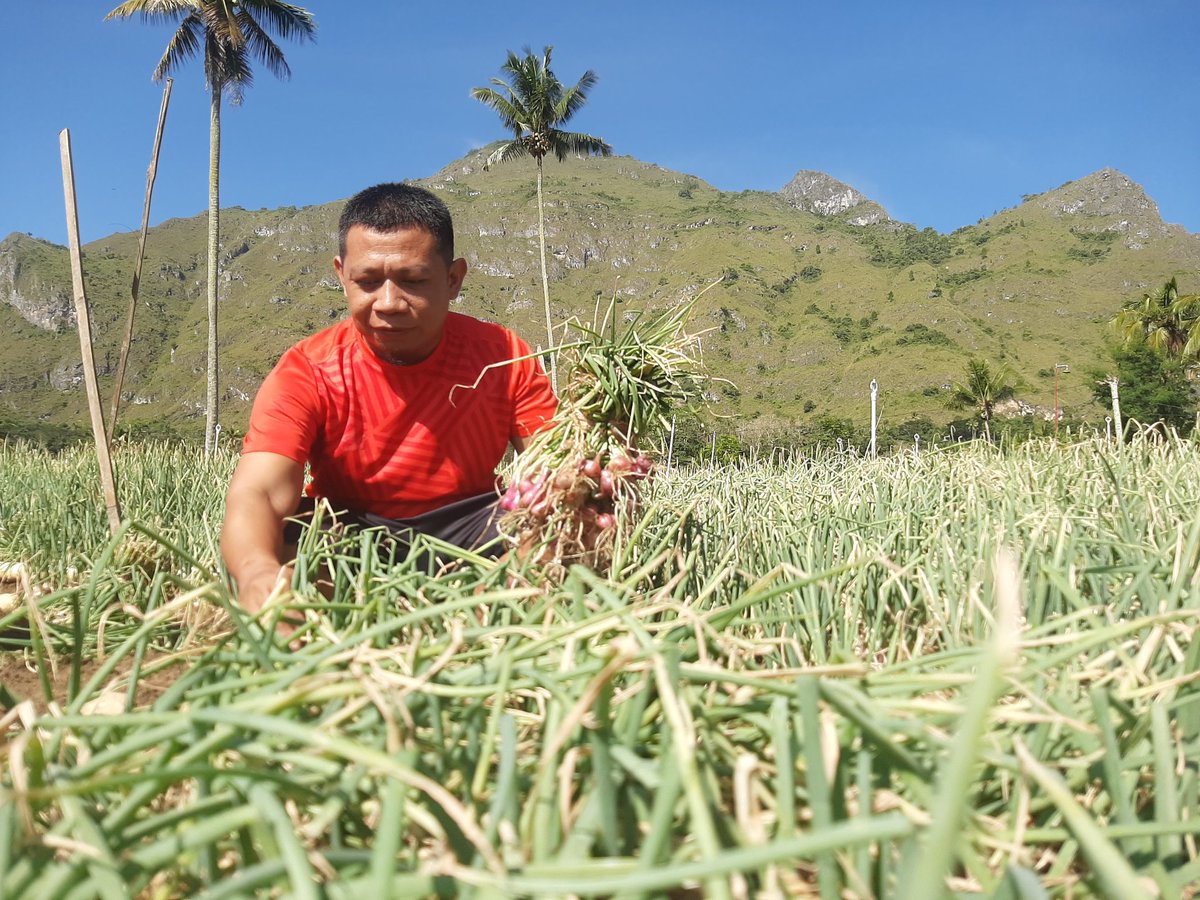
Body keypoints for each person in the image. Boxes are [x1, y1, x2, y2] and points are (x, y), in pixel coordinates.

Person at [220, 182, 557, 619]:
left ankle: (509, 627)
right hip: (347, 529)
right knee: (274, 543)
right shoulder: (308, 368)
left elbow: (552, 471)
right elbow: (259, 491)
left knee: (561, 526)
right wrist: (256, 572)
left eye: (414, 282)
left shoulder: (504, 355)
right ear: (342, 275)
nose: (389, 303)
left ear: (453, 279)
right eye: (368, 282)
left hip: (472, 527)